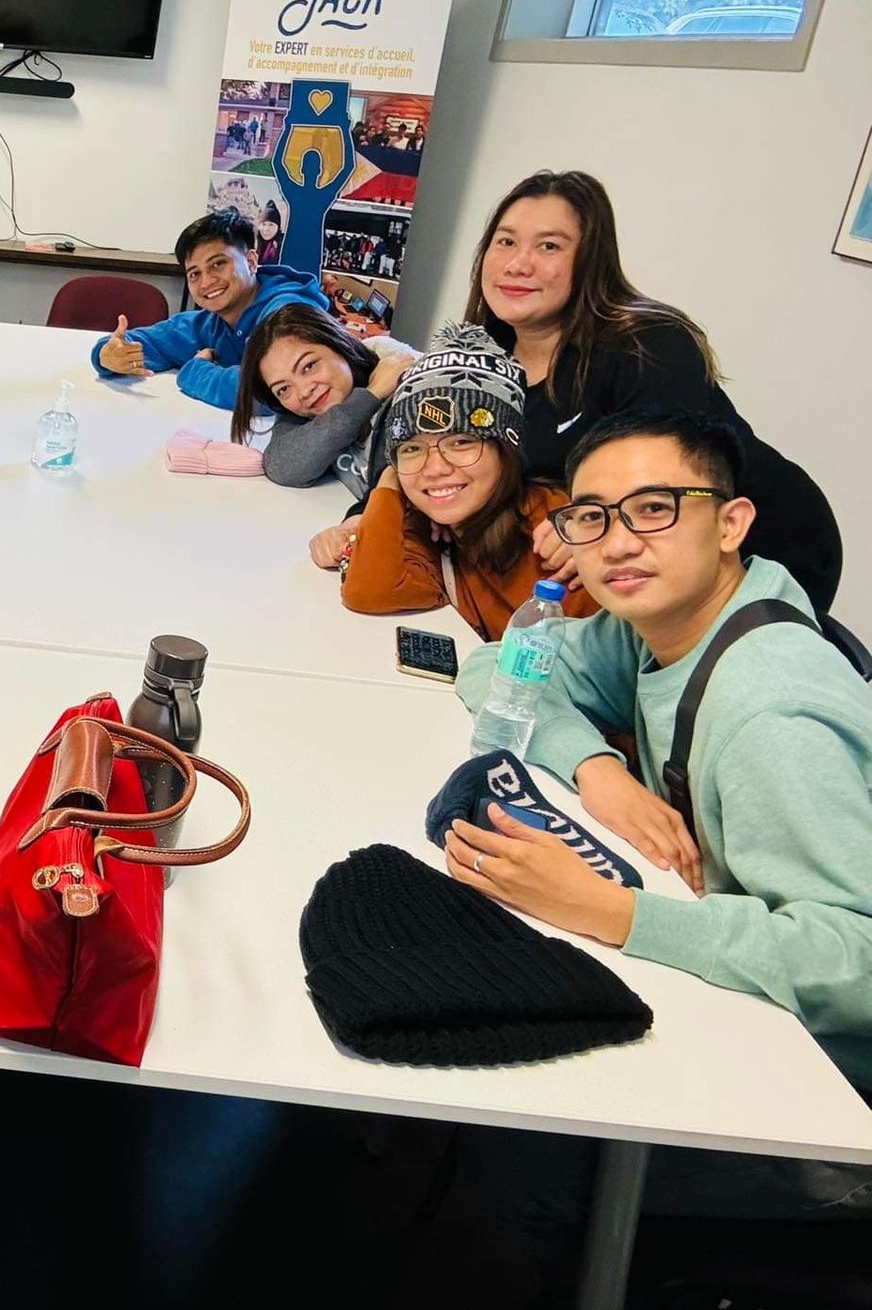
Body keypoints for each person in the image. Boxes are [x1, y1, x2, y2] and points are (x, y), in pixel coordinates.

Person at [415, 408, 871, 1303]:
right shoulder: (673, 617)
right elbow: (501, 670)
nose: (618, 543)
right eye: (593, 516)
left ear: (731, 522)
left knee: (522, 1157)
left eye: (655, 508)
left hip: (838, 1106)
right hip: (754, 1006)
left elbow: (855, 960)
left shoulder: (770, 713)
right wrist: (598, 773)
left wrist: (613, 911)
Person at [464, 168, 841, 611]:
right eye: (506, 241)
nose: (518, 263)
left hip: (761, 547)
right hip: (635, 559)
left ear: (590, 260)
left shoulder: (648, 343)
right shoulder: (481, 357)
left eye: (549, 245)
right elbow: (435, 446)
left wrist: (587, 521)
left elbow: (668, 480)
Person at [338, 326, 599, 640]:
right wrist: (391, 478)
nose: (435, 468)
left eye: (461, 442)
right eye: (412, 448)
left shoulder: (558, 532)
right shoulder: (431, 528)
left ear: (506, 450)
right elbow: (368, 591)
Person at [93, 210, 327, 411]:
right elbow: (146, 342)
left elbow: (271, 391)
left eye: (218, 264)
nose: (206, 282)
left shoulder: (289, 313)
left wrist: (196, 372)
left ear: (252, 262)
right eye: (194, 273)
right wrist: (108, 355)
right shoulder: (212, 323)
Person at [230, 304, 414, 515]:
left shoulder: (407, 394)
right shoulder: (304, 410)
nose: (303, 392)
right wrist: (370, 395)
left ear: (338, 344)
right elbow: (282, 466)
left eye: (308, 366)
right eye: (283, 389)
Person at [255, 201, 283, 266]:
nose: (266, 229)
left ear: (278, 227)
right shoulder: (254, 246)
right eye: (263, 224)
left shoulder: (283, 247)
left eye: (271, 225)